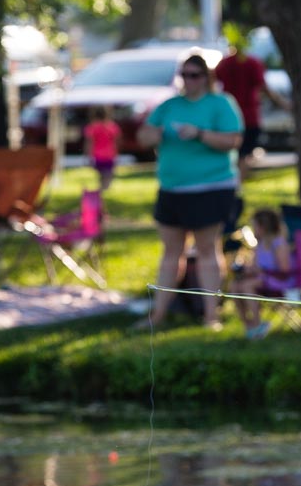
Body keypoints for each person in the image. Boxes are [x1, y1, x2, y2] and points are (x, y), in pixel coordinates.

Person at [136, 54, 245, 332]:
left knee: (208, 249)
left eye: (195, 74)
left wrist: (199, 134)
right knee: (171, 252)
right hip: (172, 188)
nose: (189, 80)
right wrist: (154, 135)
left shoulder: (221, 104)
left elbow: (232, 141)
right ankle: (158, 315)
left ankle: (212, 316)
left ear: (206, 77)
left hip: (211, 187)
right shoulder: (169, 105)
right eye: (185, 74)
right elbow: (144, 135)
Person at [214, 29, 290, 183]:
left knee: (234, 153)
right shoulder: (253, 63)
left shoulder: (224, 63)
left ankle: (232, 185)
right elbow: (264, 88)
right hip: (248, 116)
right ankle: (237, 186)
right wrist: (283, 103)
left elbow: (213, 83)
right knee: (244, 154)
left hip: (229, 116)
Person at [229, 208, 296, 340]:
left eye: (254, 226)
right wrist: (245, 269)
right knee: (233, 286)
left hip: (280, 282)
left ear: (263, 227)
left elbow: (284, 270)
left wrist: (262, 272)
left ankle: (257, 323)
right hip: (263, 279)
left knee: (247, 286)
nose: (253, 229)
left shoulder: (278, 244)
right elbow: (255, 266)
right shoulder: (259, 245)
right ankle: (248, 325)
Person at [84, 109, 121, 191]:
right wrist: (117, 153)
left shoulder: (92, 127)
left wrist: (88, 155)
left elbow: (90, 143)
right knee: (108, 174)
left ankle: (102, 188)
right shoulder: (112, 126)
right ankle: (105, 188)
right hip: (110, 154)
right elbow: (116, 142)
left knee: (101, 174)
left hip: (97, 155)